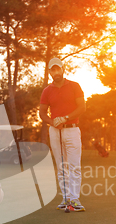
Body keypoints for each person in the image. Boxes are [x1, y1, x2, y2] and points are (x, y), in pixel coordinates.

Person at [39, 57, 86, 212]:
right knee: (61, 166)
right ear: (50, 72)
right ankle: (66, 199)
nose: (56, 72)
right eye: (53, 69)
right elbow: (42, 113)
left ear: (63, 69)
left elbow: (82, 108)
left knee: (74, 165)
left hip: (72, 129)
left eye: (58, 68)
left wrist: (65, 118)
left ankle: (75, 199)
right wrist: (53, 122)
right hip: (55, 131)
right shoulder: (47, 91)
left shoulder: (74, 86)